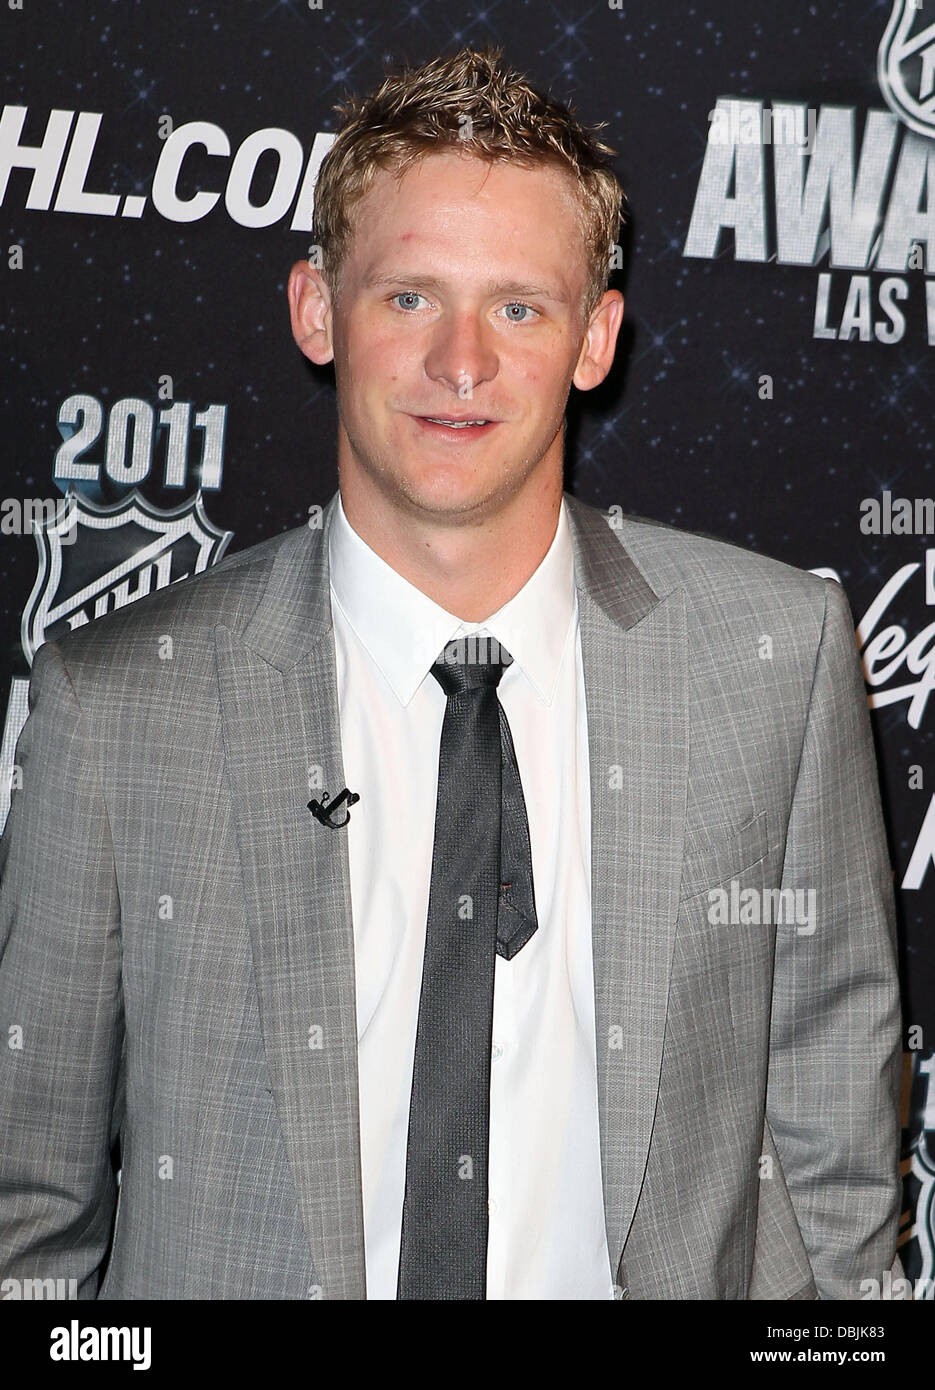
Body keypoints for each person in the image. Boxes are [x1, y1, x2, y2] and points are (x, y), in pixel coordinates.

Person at [0, 46, 903, 1300]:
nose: (462, 362)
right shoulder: (117, 706)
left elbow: (834, 1162)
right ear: (318, 310)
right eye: (411, 298)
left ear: (594, 338)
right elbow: (26, 1213)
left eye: (519, 307)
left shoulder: (772, 660)